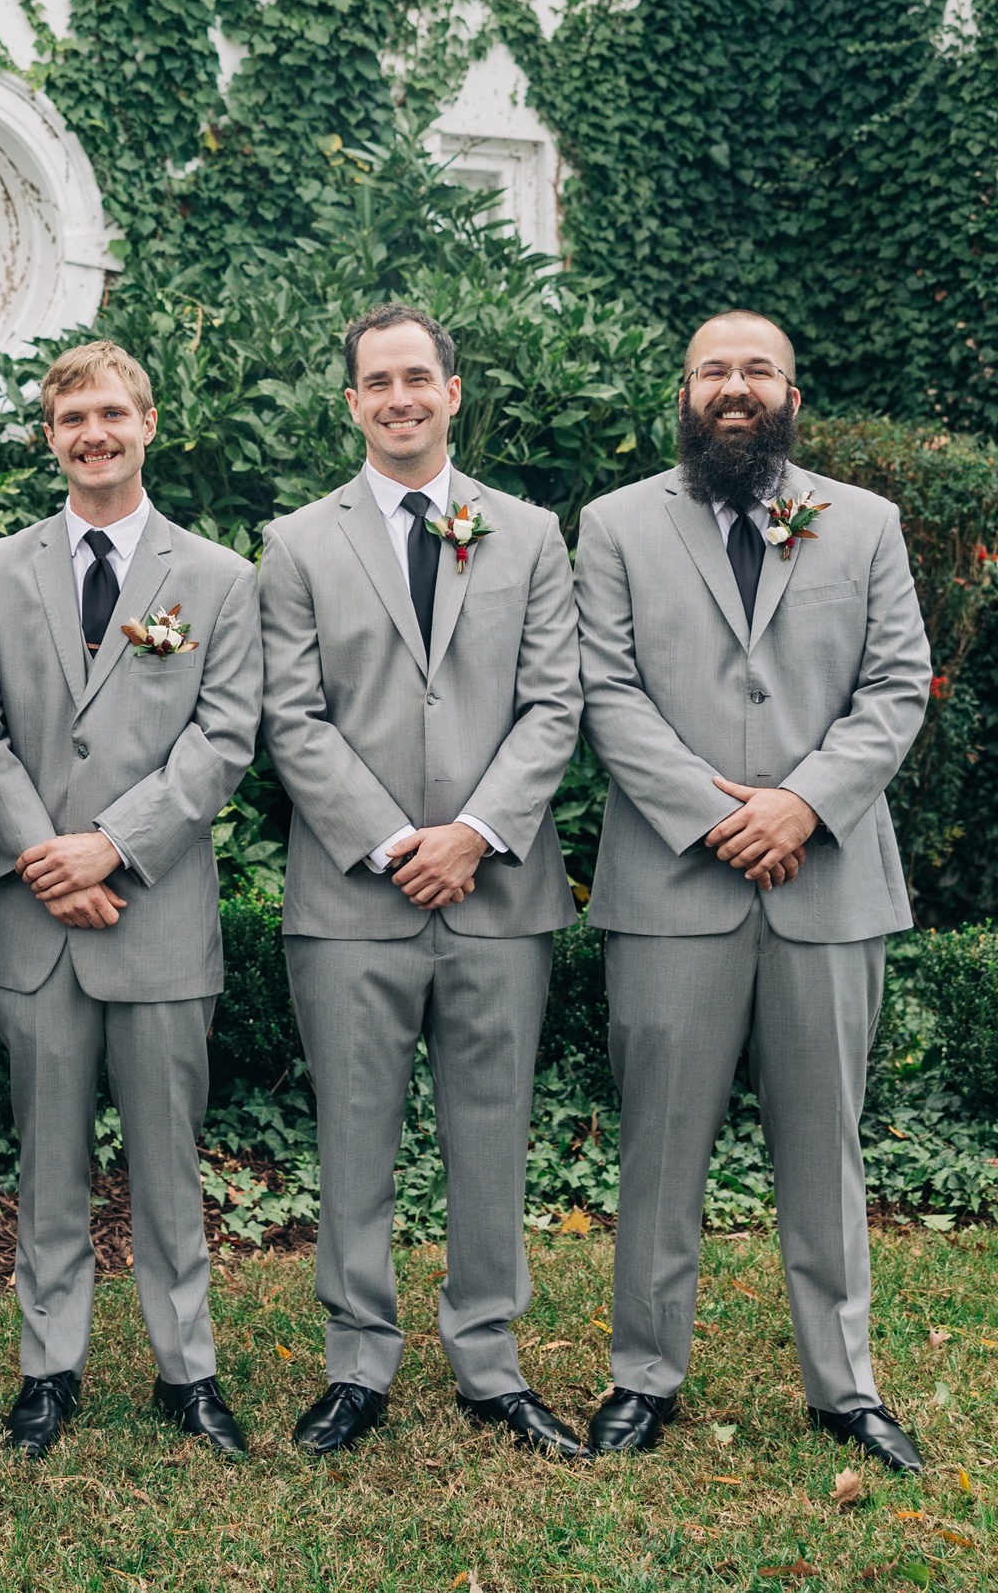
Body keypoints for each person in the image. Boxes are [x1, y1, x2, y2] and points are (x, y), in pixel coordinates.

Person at [575, 310, 930, 1471]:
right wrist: (719, 813)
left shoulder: (865, 523)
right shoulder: (616, 524)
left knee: (825, 1145)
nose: (735, 386)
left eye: (756, 369)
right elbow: (606, 692)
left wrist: (801, 806)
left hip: (827, 884)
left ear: (790, 391)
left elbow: (892, 689)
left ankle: (845, 1386)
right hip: (674, 884)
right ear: (684, 390)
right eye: (714, 368)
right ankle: (641, 1376)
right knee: (659, 1143)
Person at [259, 302, 585, 1460]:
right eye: (375, 382)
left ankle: (489, 1358)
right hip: (354, 893)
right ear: (351, 404)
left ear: (453, 391)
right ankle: (358, 1360)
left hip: (497, 892)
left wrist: (477, 833)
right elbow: (288, 716)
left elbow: (556, 704)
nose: (398, 396)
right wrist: (396, 838)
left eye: (417, 377)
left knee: (491, 1128)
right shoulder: (296, 543)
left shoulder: (532, 534)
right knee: (353, 1128)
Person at [0, 340, 262, 1459]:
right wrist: (47, 856)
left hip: (156, 912)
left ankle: (188, 1370)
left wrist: (112, 850)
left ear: (147, 423)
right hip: (35, 920)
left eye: (112, 413)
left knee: (169, 1159)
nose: (93, 432)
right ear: (49, 436)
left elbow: (223, 740)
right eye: (72, 416)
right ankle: (49, 1369)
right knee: (46, 1157)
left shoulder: (219, 577)